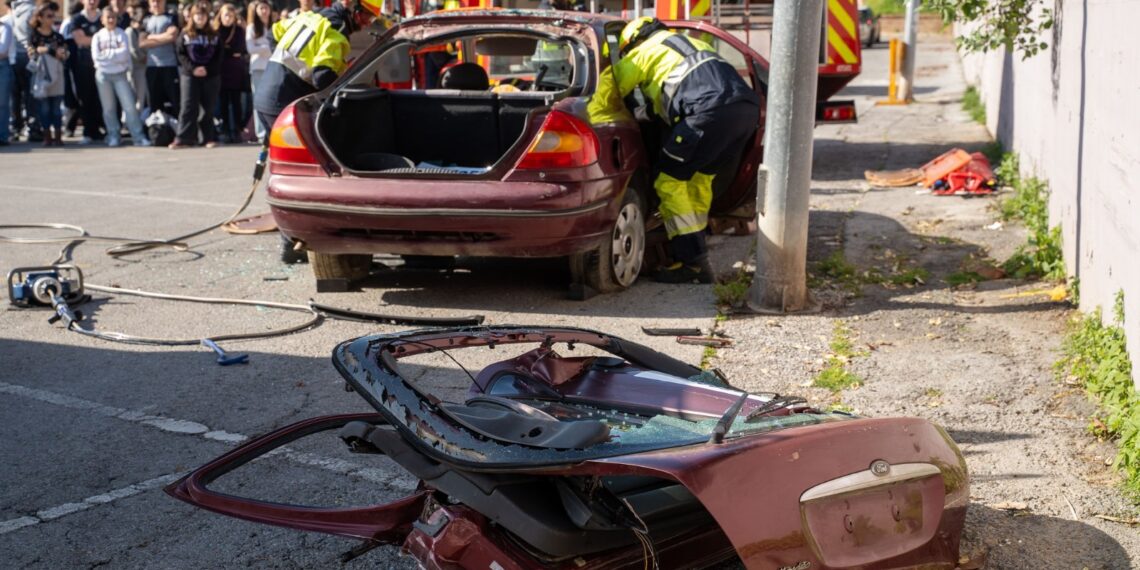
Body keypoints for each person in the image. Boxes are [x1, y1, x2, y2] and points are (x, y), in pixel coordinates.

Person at [588, 17, 760, 284]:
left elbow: (611, 87)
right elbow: (671, 97)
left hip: (706, 113)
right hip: (745, 111)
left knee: (668, 180)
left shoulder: (642, 53)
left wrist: (591, 120)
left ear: (632, 42)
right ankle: (697, 255)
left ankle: (692, 263)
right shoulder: (690, 43)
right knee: (698, 180)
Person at [252, 0, 378, 139]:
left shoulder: (311, 15)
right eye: (366, 17)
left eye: (372, 19)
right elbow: (322, 76)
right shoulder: (336, 30)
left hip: (263, 97)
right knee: (314, 155)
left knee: (284, 158)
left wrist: (282, 62)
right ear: (353, 8)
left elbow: (273, 33)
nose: (367, 24)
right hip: (284, 105)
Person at [92, 6, 150, 146]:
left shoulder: (122, 34)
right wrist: (114, 55)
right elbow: (97, 57)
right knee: (108, 108)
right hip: (103, 75)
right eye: (108, 17)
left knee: (129, 106)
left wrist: (109, 56)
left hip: (120, 74)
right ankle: (113, 135)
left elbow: (124, 54)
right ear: (102, 20)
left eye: (113, 17)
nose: (111, 20)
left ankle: (138, 136)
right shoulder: (98, 36)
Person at [170, 1, 220, 148]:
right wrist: (193, 69)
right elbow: (181, 55)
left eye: (203, 15)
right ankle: (183, 138)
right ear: (191, 17)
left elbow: (219, 56)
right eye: (197, 15)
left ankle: (208, 138)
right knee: (188, 107)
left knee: (208, 108)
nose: (200, 18)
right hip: (190, 75)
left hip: (211, 76)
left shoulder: (214, 35)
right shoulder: (185, 34)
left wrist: (207, 69)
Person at [26, 2, 67, 146]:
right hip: (40, 76)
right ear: (40, 18)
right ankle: (47, 136)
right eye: (49, 16)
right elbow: (31, 52)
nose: (52, 19)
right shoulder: (34, 36)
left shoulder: (58, 36)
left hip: (57, 74)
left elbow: (64, 53)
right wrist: (49, 51)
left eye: (53, 16)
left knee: (56, 108)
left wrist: (59, 53)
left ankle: (58, 136)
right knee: (44, 108)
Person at [69, 0, 107, 144]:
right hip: (83, 64)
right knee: (85, 98)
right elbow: (80, 40)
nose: (92, 1)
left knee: (102, 98)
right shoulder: (77, 18)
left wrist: (92, 40)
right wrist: (101, 39)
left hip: (103, 64)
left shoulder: (104, 16)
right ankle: (88, 131)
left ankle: (101, 130)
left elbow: (112, 34)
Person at [139, 0, 179, 119]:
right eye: (153, 1)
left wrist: (151, 37)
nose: (156, 3)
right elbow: (142, 43)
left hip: (170, 65)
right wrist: (164, 36)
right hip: (152, 66)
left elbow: (172, 36)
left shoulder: (172, 17)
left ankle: (179, 131)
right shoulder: (146, 19)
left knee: (175, 100)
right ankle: (157, 131)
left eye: (159, 1)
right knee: (154, 102)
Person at [213, 2, 246, 143]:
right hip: (220, 69)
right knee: (223, 101)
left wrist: (226, 50)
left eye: (231, 16)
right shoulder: (215, 30)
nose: (228, 18)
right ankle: (225, 129)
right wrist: (228, 50)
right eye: (226, 15)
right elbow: (215, 50)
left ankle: (237, 130)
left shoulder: (238, 30)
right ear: (221, 15)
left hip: (235, 69)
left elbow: (239, 48)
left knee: (236, 101)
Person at [8, 0, 38, 142]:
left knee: (15, 96)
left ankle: (15, 127)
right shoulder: (32, 9)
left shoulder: (13, 12)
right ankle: (32, 128)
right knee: (30, 95)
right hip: (28, 55)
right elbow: (34, 32)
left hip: (13, 56)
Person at [244, 0, 272, 141]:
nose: (264, 11)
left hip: (272, 67)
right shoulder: (252, 27)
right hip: (258, 68)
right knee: (258, 100)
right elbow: (251, 49)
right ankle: (261, 133)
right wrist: (267, 48)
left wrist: (262, 47)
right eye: (261, 8)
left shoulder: (274, 26)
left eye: (266, 7)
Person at [125, 0, 148, 112]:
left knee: (142, 96)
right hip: (135, 68)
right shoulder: (130, 31)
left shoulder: (141, 32)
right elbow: (133, 50)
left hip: (142, 68)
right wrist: (144, 58)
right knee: (135, 96)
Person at [0, 2, 12, 146]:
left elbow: (2, 51)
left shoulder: (4, 27)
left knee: (2, 104)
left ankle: (2, 135)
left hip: (2, 67)